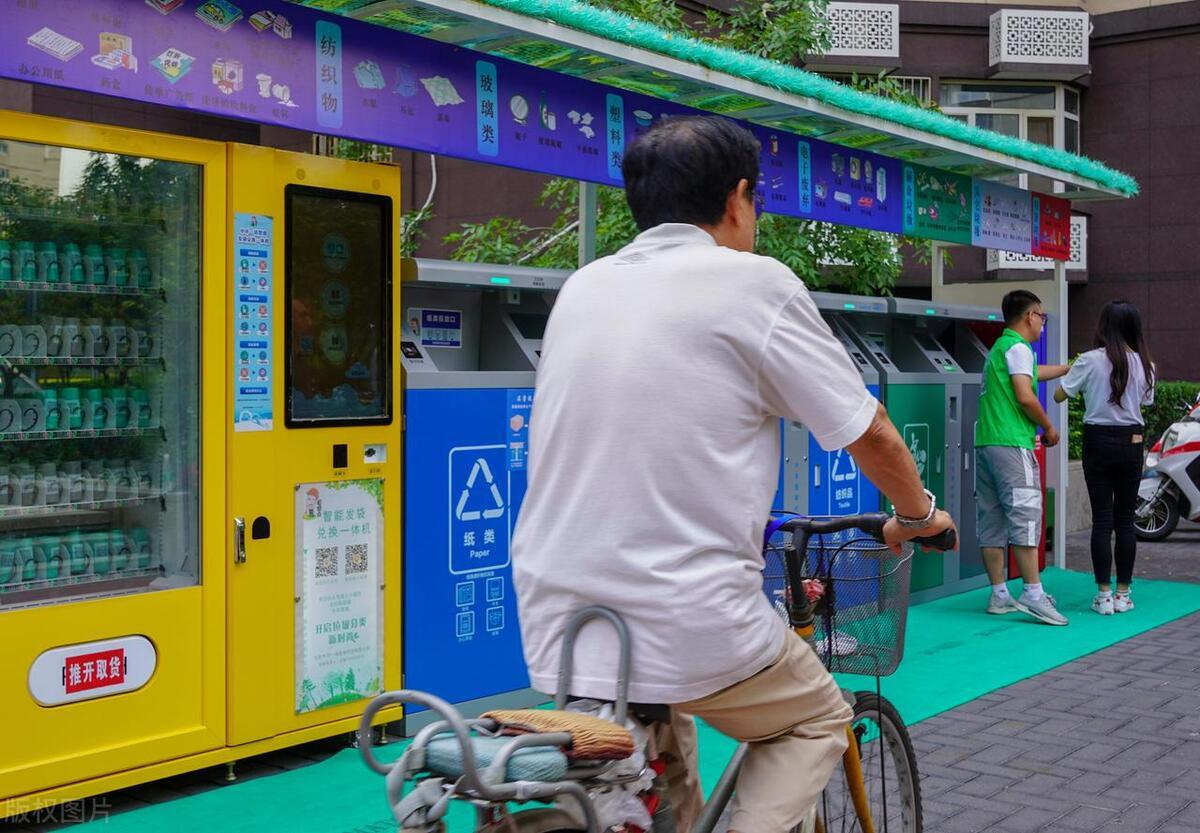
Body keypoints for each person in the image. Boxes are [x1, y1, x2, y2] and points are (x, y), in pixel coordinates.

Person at [511, 116, 956, 833]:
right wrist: (919, 513)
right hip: (689, 617)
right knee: (814, 717)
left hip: (565, 621)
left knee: (658, 769)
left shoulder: (583, 288)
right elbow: (867, 429)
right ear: (739, 198)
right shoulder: (754, 283)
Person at [977, 289, 1070, 625]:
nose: (1042, 323)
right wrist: (1049, 427)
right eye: (1041, 316)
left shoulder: (1001, 348)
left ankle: (999, 594)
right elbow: (1025, 394)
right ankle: (1033, 594)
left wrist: (1065, 368)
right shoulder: (1019, 347)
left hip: (987, 443)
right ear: (1030, 315)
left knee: (992, 519)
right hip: (1012, 443)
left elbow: (1030, 373)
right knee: (1026, 516)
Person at [1055, 301, 1155, 615]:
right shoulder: (1145, 364)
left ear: (1103, 325)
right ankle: (1124, 594)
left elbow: (1060, 394)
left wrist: (1075, 376)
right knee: (1125, 520)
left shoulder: (1089, 360)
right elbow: (1147, 402)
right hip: (1132, 440)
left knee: (1102, 520)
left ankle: (1103, 596)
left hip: (1097, 440)